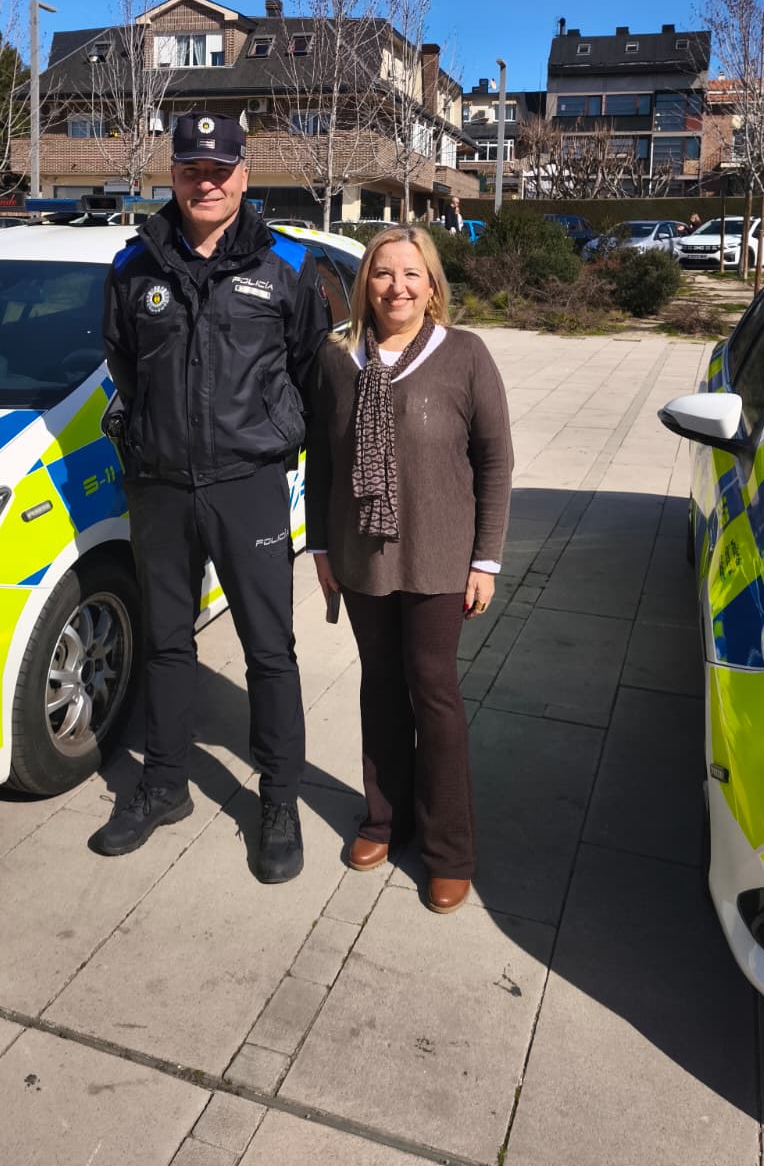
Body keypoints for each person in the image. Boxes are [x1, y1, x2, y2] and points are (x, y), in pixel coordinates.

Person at [94, 113, 330, 881]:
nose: (207, 182)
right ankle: (164, 785)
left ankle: (280, 799)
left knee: (269, 649)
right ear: (172, 173)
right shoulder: (134, 266)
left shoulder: (286, 265)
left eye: (220, 169)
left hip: (247, 486)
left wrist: (273, 435)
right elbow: (124, 363)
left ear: (244, 175)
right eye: (193, 168)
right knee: (167, 643)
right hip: (161, 487)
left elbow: (310, 370)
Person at [305, 226, 512, 914]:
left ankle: (450, 850)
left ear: (431, 286)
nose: (397, 287)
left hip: (439, 556)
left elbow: (494, 460)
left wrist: (486, 558)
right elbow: (322, 459)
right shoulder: (338, 358)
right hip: (361, 554)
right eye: (383, 273)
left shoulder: (465, 355)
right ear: (365, 282)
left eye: (411, 274)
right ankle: (385, 820)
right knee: (381, 686)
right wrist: (321, 548)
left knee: (434, 691)